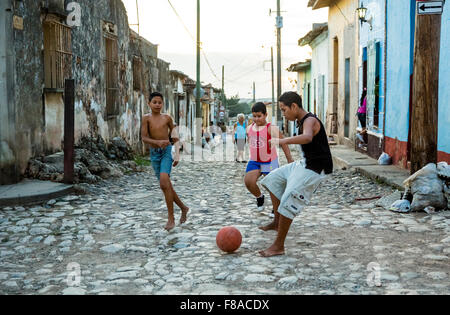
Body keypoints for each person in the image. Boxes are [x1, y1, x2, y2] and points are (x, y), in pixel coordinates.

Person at [258, 91, 333, 257]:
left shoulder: (310, 120)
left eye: (284, 110)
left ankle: (278, 246)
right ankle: (277, 222)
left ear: (294, 106)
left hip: (314, 169)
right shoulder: (301, 120)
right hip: (303, 164)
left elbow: (306, 137)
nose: (284, 114)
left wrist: (282, 141)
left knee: (288, 199)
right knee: (271, 180)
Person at [141, 92, 189, 231]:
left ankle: (171, 218)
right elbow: (144, 137)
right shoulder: (146, 118)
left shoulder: (167, 118)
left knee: (163, 181)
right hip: (154, 153)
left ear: (163, 104)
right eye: (154, 102)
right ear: (149, 103)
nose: (157, 105)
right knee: (166, 185)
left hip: (166, 152)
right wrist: (157, 142)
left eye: (160, 102)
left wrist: (178, 154)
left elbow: (174, 137)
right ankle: (183, 208)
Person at [244, 102, 293, 213]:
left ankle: (276, 209)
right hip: (255, 161)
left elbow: (283, 143)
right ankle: (259, 197)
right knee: (248, 182)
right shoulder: (249, 128)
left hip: (269, 161)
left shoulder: (271, 128)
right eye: (254, 116)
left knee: (272, 186)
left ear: (266, 115)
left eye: (259, 116)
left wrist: (289, 158)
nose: (256, 119)